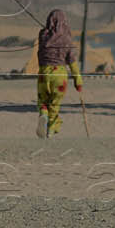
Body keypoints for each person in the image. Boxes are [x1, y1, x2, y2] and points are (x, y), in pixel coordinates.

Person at [34, 9, 84, 137]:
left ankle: (43, 114)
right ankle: (51, 128)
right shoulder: (67, 39)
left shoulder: (43, 35)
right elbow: (72, 62)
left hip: (43, 73)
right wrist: (78, 81)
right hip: (59, 75)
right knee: (55, 104)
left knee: (42, 101)